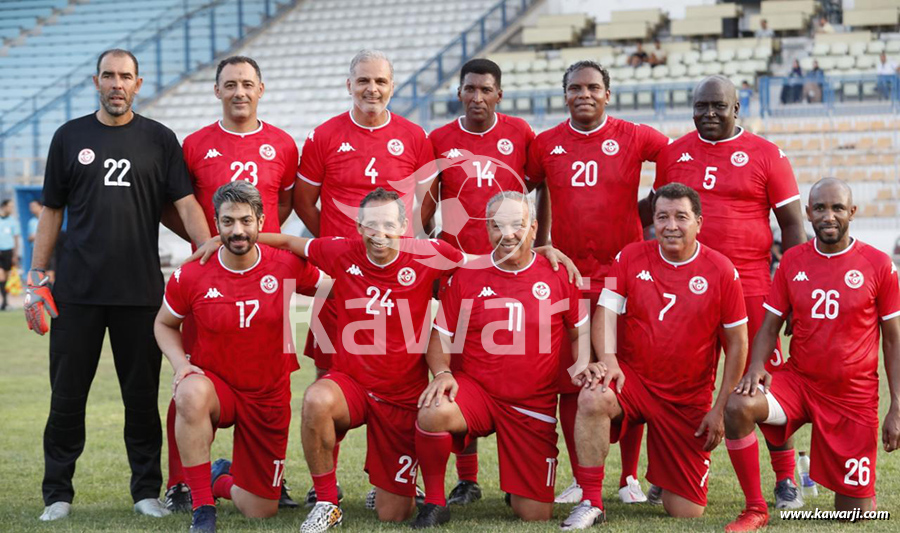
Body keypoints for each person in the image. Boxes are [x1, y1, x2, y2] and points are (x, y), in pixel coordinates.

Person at [24, 48, 211, 522]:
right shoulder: (69, 137)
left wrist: (209, 250)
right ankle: (57, 495)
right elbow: (51, 210)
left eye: (124, 77)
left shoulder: (159, 138)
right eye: (108, 76)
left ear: (138, 84)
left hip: (140, 294)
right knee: (66, 398)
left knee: (140, 400)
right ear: (95, 81)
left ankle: (145, 491)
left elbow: (186, 203)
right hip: (76, 293)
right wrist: (36, 271)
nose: (116, 84)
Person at [651, 74, 807, 510]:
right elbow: (660, 216)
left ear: (736, 109)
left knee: (760, 383)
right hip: (688, 290)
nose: (709, 114)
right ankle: (668, 473)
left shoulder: (766, 154)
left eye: (719, 106)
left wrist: (793, 290)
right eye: (701, 106)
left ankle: (785, 477)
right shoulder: (673, 153)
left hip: (753, 286)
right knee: (680, 382)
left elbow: (793, 224)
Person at [292, 49, 438, 506]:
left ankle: (389, 483)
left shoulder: (414, 136)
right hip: (343, 285)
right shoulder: (325, 135)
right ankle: (327, 493)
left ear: (392, 85)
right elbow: (303, 201)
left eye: (379, 81)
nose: (371, 88)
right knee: (329, 381)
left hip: (396, 283)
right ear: (348, 84)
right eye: (363, 81)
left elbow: (427, 204)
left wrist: (403, 250)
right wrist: (342, 251)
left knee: (401, 376)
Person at [560, 183, 748, 529]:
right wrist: (610, 359)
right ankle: (591, 500)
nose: (671, 225)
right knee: (592, 395)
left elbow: (737, 343)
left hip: (686, 399)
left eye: (681, 217)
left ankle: (666, 475)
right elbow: (606, 313)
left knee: (686, 510)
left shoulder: (721, 270)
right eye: (662, 217)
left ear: (699, 223)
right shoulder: (630, 257)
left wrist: (718, 409)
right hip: (634, 381)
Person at [525, 60, 670, 505]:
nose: (583, 94)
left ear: (608, 93)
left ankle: (627, 478)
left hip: (623, 279)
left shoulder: (636, 135)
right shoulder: (546, 143)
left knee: (624, 374)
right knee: (575, 378)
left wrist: (649, 218)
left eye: (592, 87)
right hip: (568, 279)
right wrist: (543, 241)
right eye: (574, 88)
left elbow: (674, 158)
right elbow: (535, 189)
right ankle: (579, 475)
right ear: (564, 94)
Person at [162, 54, 301, 513]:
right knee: (192, 379)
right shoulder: (196, 144)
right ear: (217, 91)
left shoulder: (282, 144)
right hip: (212, 281)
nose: (239, 91)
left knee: (267, 376)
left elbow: (283, 202)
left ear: (261, 88)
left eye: (247, 83)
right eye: (230, 84)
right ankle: (182, 483)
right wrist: (206, 243)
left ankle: (258, 477)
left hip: (266, 279)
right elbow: (176, 203)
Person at [723, 178, 900, 531]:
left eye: (837, 208)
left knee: (856, 515)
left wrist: (897, 406)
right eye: (819, 208)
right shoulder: (791, 260)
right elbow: (770, 326)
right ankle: (755, 508)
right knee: (738, 405)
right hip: (800, 383)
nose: (828, 216)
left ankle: (858, 495)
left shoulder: (879, 265)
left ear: (852, 212)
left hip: (853, 395)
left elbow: (894, 341)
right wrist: (756, 365)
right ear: (807, 213)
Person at [412, 191, 590, 528]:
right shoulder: (468, 273)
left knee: (536, 515)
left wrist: (580, 366)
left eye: (517, 225)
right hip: (478, 393)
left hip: (532, 404)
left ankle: (519, 486)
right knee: (434, 409)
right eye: (497, 226)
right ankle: (435, 502)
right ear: (487, 229)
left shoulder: (557, 273)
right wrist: (442, 372)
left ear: (534, 228)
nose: (506, 233)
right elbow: (440, 335)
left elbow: (579, 332)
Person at [155, 181, 324, 533]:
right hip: (218, 387)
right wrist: (182, 364)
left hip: (268, 395)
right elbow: (164, 323)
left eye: (246, 221)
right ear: (216, 224)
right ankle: (203, 508)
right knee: (189, 391)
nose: (237, 230)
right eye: (228, 222)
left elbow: (335, 285)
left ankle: (219, 478)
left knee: (260, 509)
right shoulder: (193, 273)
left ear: (261, 221)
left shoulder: (286, 266)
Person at [421, 58, 535, 504]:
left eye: (486, 90)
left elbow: (537, 193)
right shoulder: (439, 139)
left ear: (499, 95)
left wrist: (539, 245)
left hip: (512, 270)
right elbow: (427, 210)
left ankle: (518, 478)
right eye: (469, 89)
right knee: (461, 369)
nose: (477, 97)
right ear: (459, 93)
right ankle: (467, 479)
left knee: (515, 367)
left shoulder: (521, 133)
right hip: (459, 272)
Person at [0, 199, 20, 311]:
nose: (11, 209)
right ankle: (4, 302)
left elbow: (16, 238)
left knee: (6, 277)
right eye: (10, 206)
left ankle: (5, 302)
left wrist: (15, 254)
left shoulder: (12, 221)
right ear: (4, 206)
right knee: (1, 275)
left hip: (8, 251)